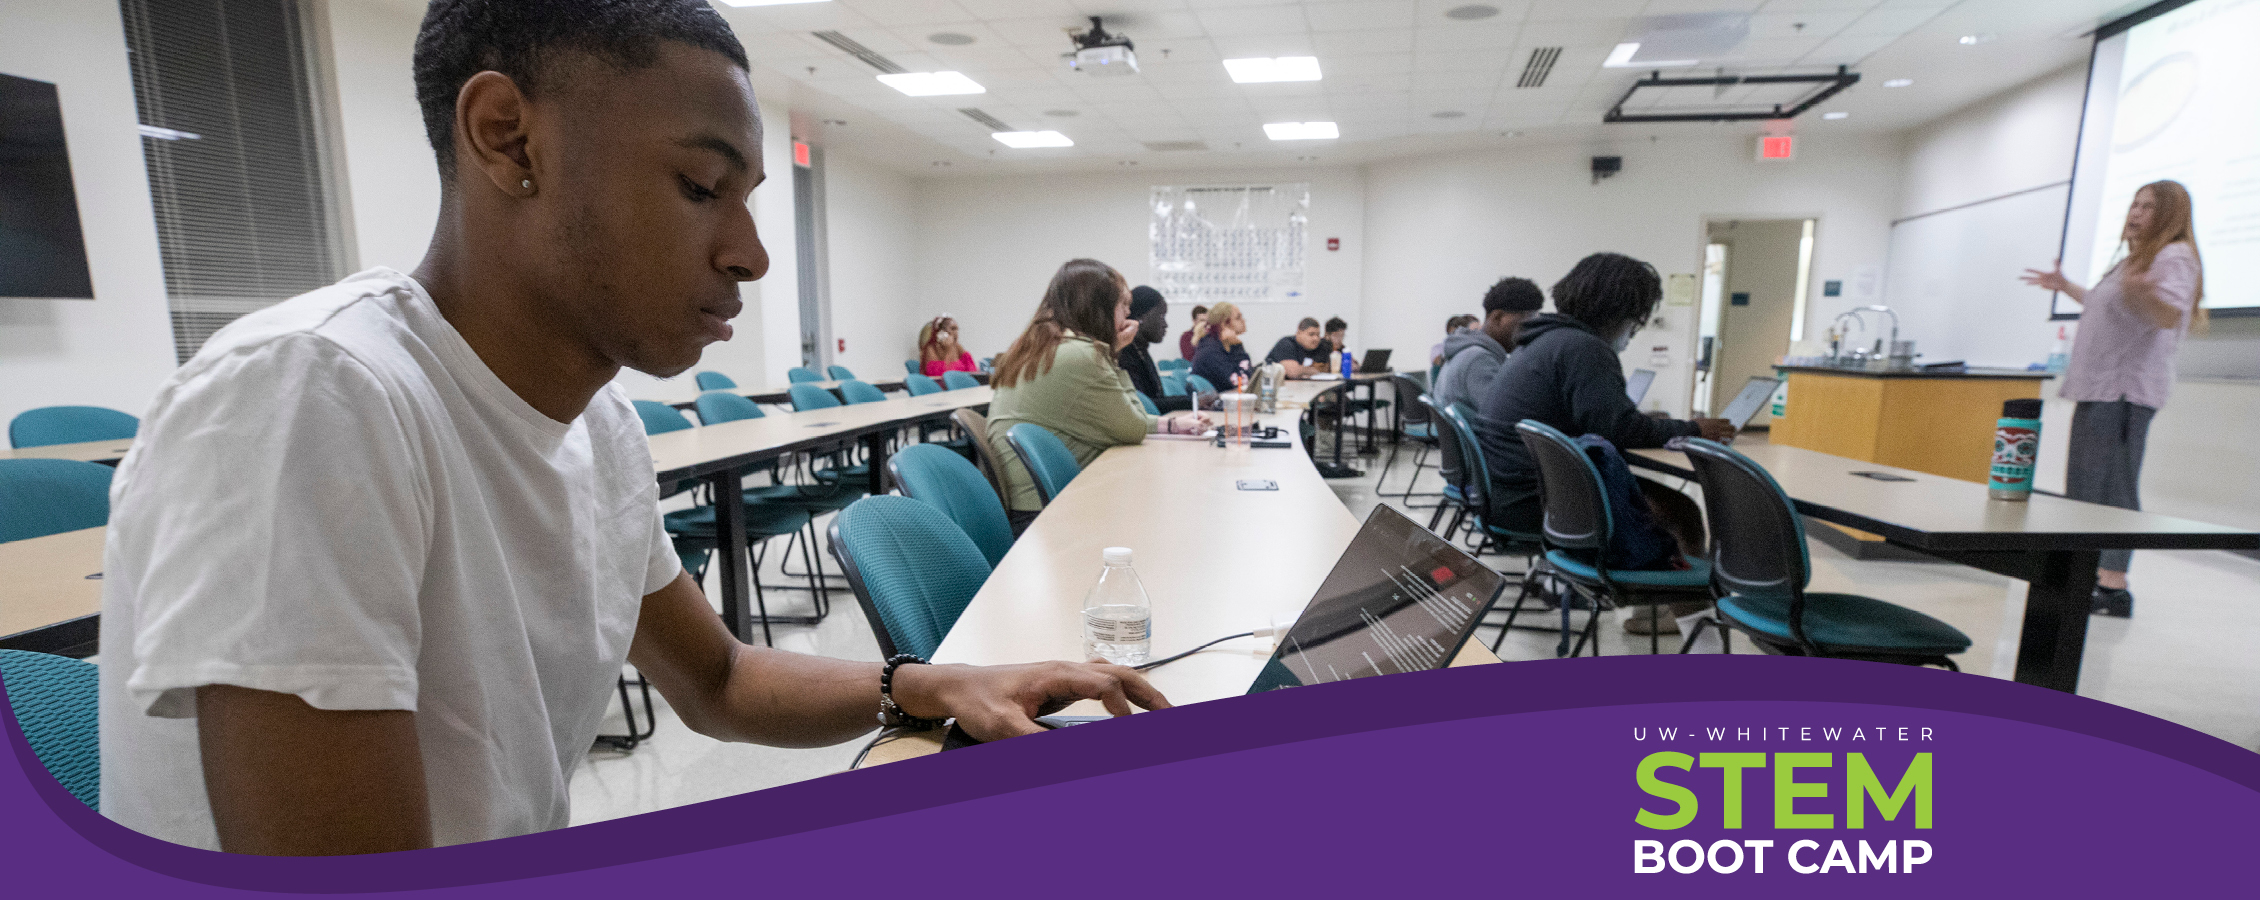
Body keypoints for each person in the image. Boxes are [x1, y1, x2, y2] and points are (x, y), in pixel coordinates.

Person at [97, 0, 1168, 856]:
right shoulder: (311, 399)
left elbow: (718, 681)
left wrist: (928, 684)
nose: (751, 253)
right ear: (506, 137)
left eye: (748, 198)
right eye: (701, 186)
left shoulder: (597, 424)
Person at [1474, 253, 1735, 635]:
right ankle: (1697, 635)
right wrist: (1693, 429)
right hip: (1539, 503)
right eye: (1636, 321)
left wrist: (1651, 425)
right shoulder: (1585, 348)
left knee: (1671, 505)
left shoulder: (1541, 342)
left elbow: (1602, 420)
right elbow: (1618, 429)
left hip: (1508, 494)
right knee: (1681, 513)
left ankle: (1660, 610)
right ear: (1624, 313)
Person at [2020, 179, 2205, 619]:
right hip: (2101, 386)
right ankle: (2088, 574)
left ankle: (2113, 585)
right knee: (2087, 486)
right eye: (2134, 203)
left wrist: (2144, 291)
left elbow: (2168, 313)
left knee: (2111, 487)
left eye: (2147, 207)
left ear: (2169, 215)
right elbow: (2110, 306)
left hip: (2123, 391)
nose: (2135, 212)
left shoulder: (2173, 256)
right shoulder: (2135, 260)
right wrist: (2066, 287)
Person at [987, 261, 1210, 533]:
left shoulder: (1043, 344)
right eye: (1123, 306)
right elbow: (1132, 426)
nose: (1130, 314)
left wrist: (1170, 425)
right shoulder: (1081, 356)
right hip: (1045, 514)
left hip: (1036, 501)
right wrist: (1114, 352)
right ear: (1100, 309)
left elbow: (1118, 419)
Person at [1434, 278, 1543, 413]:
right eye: (1526, 321)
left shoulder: (1464, 349)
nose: (1530, 330)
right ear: (1498, 317)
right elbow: (1506, 415)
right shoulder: (1479, 359)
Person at [1118, 286, 1192, 413]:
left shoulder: (1141, 350)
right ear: (1141, 317)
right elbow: (1144, 404)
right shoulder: (1124, 354)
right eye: (1161, 316)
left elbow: (1155, 399)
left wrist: (1191, 400)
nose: (1165, 324)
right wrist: (1191, 402)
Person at [1188, 301, 1254, 396]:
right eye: (1238, 318)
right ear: (1224, 324)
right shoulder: (1210, 350)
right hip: (1214, 408)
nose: (1243, 321)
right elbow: (1241, 382)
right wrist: (1237, 346)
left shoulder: (1223, 346)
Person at [1264, 317, 1331, 377]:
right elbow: (1292, 372)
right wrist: (1311, 370)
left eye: (1318, 335)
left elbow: (1327, 370)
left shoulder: (1320, 346)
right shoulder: (1286, 344)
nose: (1316, 339)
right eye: (1311, 334)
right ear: (1299, 333)